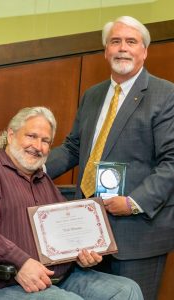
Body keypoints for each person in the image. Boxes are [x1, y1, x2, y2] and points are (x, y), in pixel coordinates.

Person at [46, 16, 174, 300]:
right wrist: (33, 168)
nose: (122, 48)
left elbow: (172, 161)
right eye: (115, 42)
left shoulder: (166, 94)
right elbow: (72, 148)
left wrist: (133, 202)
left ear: (144, 51)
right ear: (106, 51)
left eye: (131, 42)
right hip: (88, 230)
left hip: (137, 232)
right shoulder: (92, 95)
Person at [0, 106, 143, 300]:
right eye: (31, 136)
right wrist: (20, 262)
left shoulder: (44, 181)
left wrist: (84, 253)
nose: (38, 146)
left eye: (45, 141)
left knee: (126, 290)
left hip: (61, 276)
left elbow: (68, 235)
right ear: (11, 135)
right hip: (5, 280)